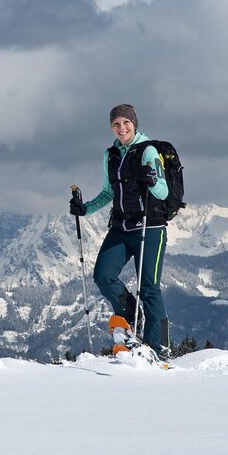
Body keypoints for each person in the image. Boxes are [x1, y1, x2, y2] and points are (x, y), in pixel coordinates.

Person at [70, 104, 171, 357]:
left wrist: (152, 180)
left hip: (151, 227)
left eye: (126, 123)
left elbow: (163, 192)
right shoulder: (110, 155)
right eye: (116, 124)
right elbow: (108, 193)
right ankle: (129, 316)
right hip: (121, 226)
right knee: (103, 275)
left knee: (149, 287)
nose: (121, 128)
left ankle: (158, 346)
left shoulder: (149, 151)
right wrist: (86, 209)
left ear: (134, 124)